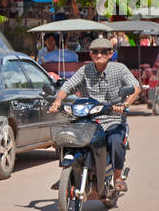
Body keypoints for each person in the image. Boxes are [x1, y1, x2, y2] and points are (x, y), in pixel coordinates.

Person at [48, 37, 140, 192]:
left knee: (116, 141)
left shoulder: (120, 69)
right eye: (95, 52)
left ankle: (118, 176)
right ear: (90, 54)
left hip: (112, 117)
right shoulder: (85, 70)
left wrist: (125, 105)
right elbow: (68, 85)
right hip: (87, 119)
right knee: (67, 138)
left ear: (111, 54)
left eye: (104, 51)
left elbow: (135, 87)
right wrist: (57, 101)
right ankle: (68, 175)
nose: (99, 55)